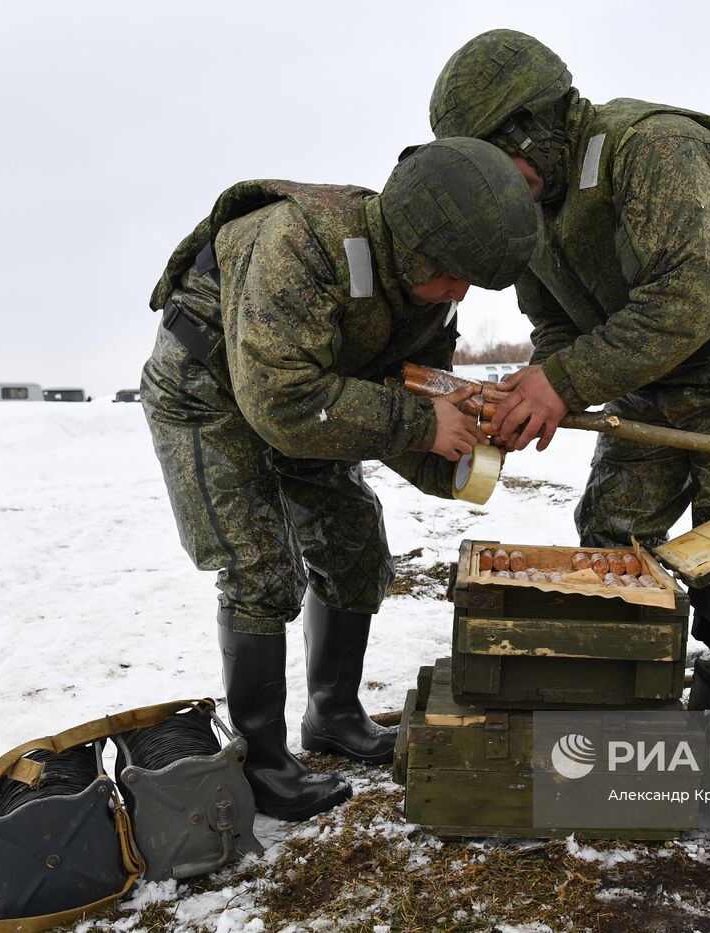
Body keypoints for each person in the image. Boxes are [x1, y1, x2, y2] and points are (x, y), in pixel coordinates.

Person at [140, 138, 538, 821]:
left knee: (353, 540)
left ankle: (332, 712)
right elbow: (283, 402)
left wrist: (468, 447)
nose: (459, 293)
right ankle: (262, 760)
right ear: (416, 248)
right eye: (452, 276)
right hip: (209, 390)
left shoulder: (427, 291)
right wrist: (419, 423)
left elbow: (406, 403)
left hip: (307, 394)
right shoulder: (302, 245)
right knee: (260, 568)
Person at [429, 30, 710, 547]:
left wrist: (562, 383)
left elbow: (688, 298)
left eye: (495, 161)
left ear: (535, 128)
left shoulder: (654, 147)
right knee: (610, 534)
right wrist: (535, 385)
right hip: (649, 373)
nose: (493, 185)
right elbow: (557, 323)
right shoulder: (527, 208)